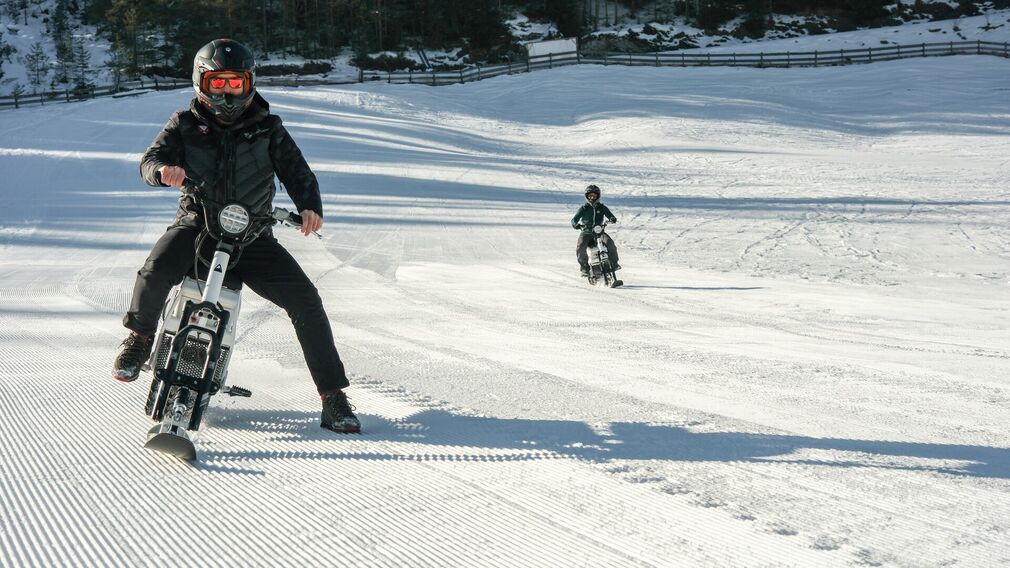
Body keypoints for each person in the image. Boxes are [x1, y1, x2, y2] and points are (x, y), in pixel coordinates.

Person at [111, 38, 360, 434]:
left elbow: (298, 173)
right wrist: (162, 172)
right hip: (196, 226)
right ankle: (139, 340)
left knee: (306, 300)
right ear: (201, 83)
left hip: (254, 236)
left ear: (250, 84)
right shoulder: (184, 124)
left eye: (236, 84)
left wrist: (310, 206)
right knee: (155, 269)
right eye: (218, 84)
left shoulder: (268, 128)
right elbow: (150, 160)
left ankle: (332, 398)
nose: (227, 93)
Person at [571, 184, 620, 277]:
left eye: (594, 195)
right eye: (590, 196)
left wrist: (612, 218)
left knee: (610, 243)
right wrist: (576, 225)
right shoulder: (584, 208)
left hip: (599, 231)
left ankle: (614, 263)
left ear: (598, 196)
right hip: (587, 232)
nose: (592, 197)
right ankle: (584, 267)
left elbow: (610, 215)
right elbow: (574, 219)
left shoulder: (601, 207)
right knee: (580, 246)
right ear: (587, 197)